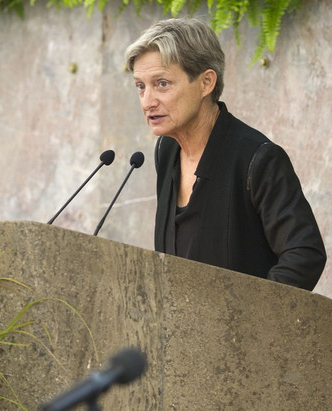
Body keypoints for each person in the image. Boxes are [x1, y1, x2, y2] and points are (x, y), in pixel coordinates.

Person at [124, 18, 326, 291]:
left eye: (162, 84)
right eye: (141, 86)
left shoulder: (258, 159)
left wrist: (246, 320)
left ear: (206, 82)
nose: (148, 101)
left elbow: (304, 254)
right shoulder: (168, 149)